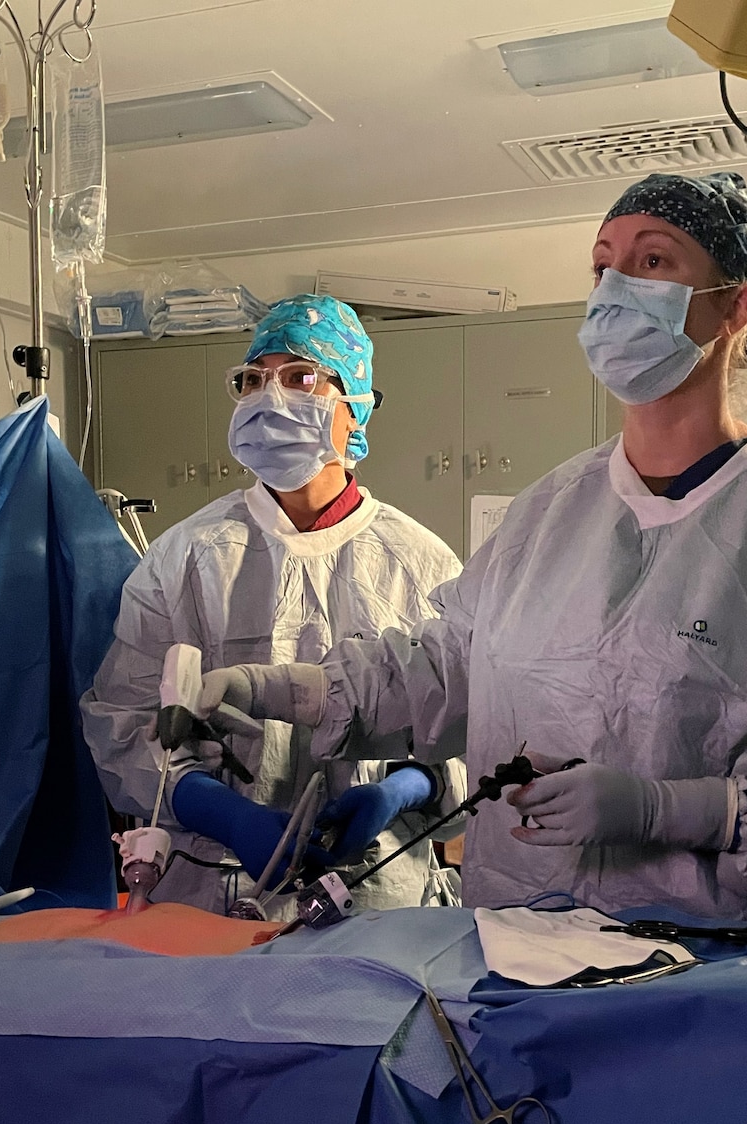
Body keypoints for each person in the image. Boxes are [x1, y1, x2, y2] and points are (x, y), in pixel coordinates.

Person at [198, 173, 747, 928]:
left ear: (736, 306)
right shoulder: (549, 512)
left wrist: (683, 810)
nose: (616, 288)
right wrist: (287, 690)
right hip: (519, 945)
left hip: (721, 975)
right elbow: (447, 664)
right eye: (603, 266)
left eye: (654, 262)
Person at [81, 294, 466, 914]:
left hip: (377, 890)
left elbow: (467, 723)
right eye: (253, 380)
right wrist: (216, 809)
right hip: (213, 885)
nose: (270, 396)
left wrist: (407, 787)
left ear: (356, 407)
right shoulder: (185, 559)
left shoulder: (420, 565)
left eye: (300, 377)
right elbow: (121, 723)